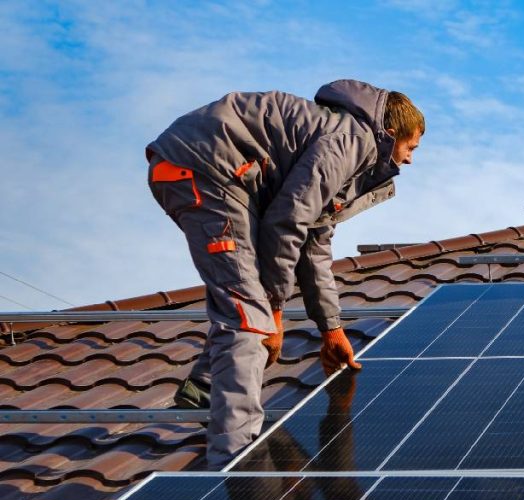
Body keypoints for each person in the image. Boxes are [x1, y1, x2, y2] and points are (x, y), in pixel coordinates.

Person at [146, 79, 424, 468]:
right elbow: (288, 220)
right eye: (411, 148)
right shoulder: (351, 141)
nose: (410, 160)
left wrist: (331, 328)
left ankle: (205, 386)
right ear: (390, 133)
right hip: (209, 168)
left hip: (213, 170)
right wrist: (275, 311)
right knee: (250, 317)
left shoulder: (346, 150)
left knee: (242, 288)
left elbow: (313, 244)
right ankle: (240, 464)